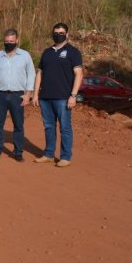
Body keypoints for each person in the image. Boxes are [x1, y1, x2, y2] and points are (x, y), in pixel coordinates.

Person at [32, 22, 83, 168]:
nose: (58, 35)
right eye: (56, 32)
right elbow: (40, 73)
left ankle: (65, 157)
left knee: (65, 127)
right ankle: (48, 154)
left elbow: (79, 74)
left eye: (61, 33)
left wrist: (73, 95)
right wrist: (35, 94)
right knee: (49, 126)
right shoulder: (47, 52)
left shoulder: (73, 52)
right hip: (45, 97)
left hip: (63, 97)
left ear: (67, 34)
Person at [0, 28, 35, 162]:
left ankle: (18, 152)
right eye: (7, 41)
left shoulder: (25, 55)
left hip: (17, 96)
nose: (9, 43)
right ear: (4, 41)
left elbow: (31, 74)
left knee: (18, 125)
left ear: (17, 40)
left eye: (12, 41)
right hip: (0, 95)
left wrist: (28, 94)